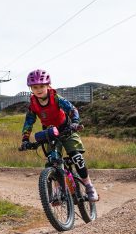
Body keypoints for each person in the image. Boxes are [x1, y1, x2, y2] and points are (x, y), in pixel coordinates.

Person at [20, 69, 99, 201]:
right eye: (35, 87)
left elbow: (72, 109)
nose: (38, 90)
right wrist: (25, 140)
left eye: (42, 86)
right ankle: (57, 191)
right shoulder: (33, 104)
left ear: (48, 85)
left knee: (76, 157)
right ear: (31, 88)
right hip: (50, 133)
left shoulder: (55, 98)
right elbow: (28, 122)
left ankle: (89, 186)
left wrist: (75, 122)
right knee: (53, 161)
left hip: (66, 129)